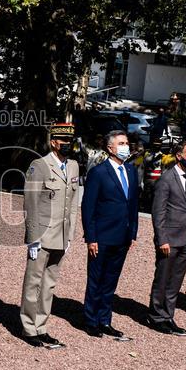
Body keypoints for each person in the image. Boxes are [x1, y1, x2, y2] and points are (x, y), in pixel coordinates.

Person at [20, 123, 79, 348]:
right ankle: (28, 326)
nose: (68, 146)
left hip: (61, 235)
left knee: (50, 283)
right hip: (43, 234)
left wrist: (70, 234)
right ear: (54, 142)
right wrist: (33, 236)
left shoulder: (73, 166)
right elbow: (31, 202)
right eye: (64, 142)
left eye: (71, 142)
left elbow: (73, 204)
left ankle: (41, 325)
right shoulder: (39, 166)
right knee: (33, 281)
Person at [81, 130, 139, 339]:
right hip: (102, 237)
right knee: (96, 280)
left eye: (127, 142)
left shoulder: (131, 171)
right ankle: (90, 320)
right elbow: (88, 207)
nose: (126, 146)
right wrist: (91, 237)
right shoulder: (98, 172)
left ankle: (105, 320)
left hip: (122, 237)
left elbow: (133, 204)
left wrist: (133, 232)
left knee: (110, 282)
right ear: (110, 148)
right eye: (121, 143)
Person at [146, 141, 186, 336]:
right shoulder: (166, 179)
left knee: (176, 281)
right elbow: (158, 212)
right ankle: (156, 316)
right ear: (179, 156)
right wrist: (162, 239)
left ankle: (168, 316)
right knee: (162, 279)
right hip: (169, 238)